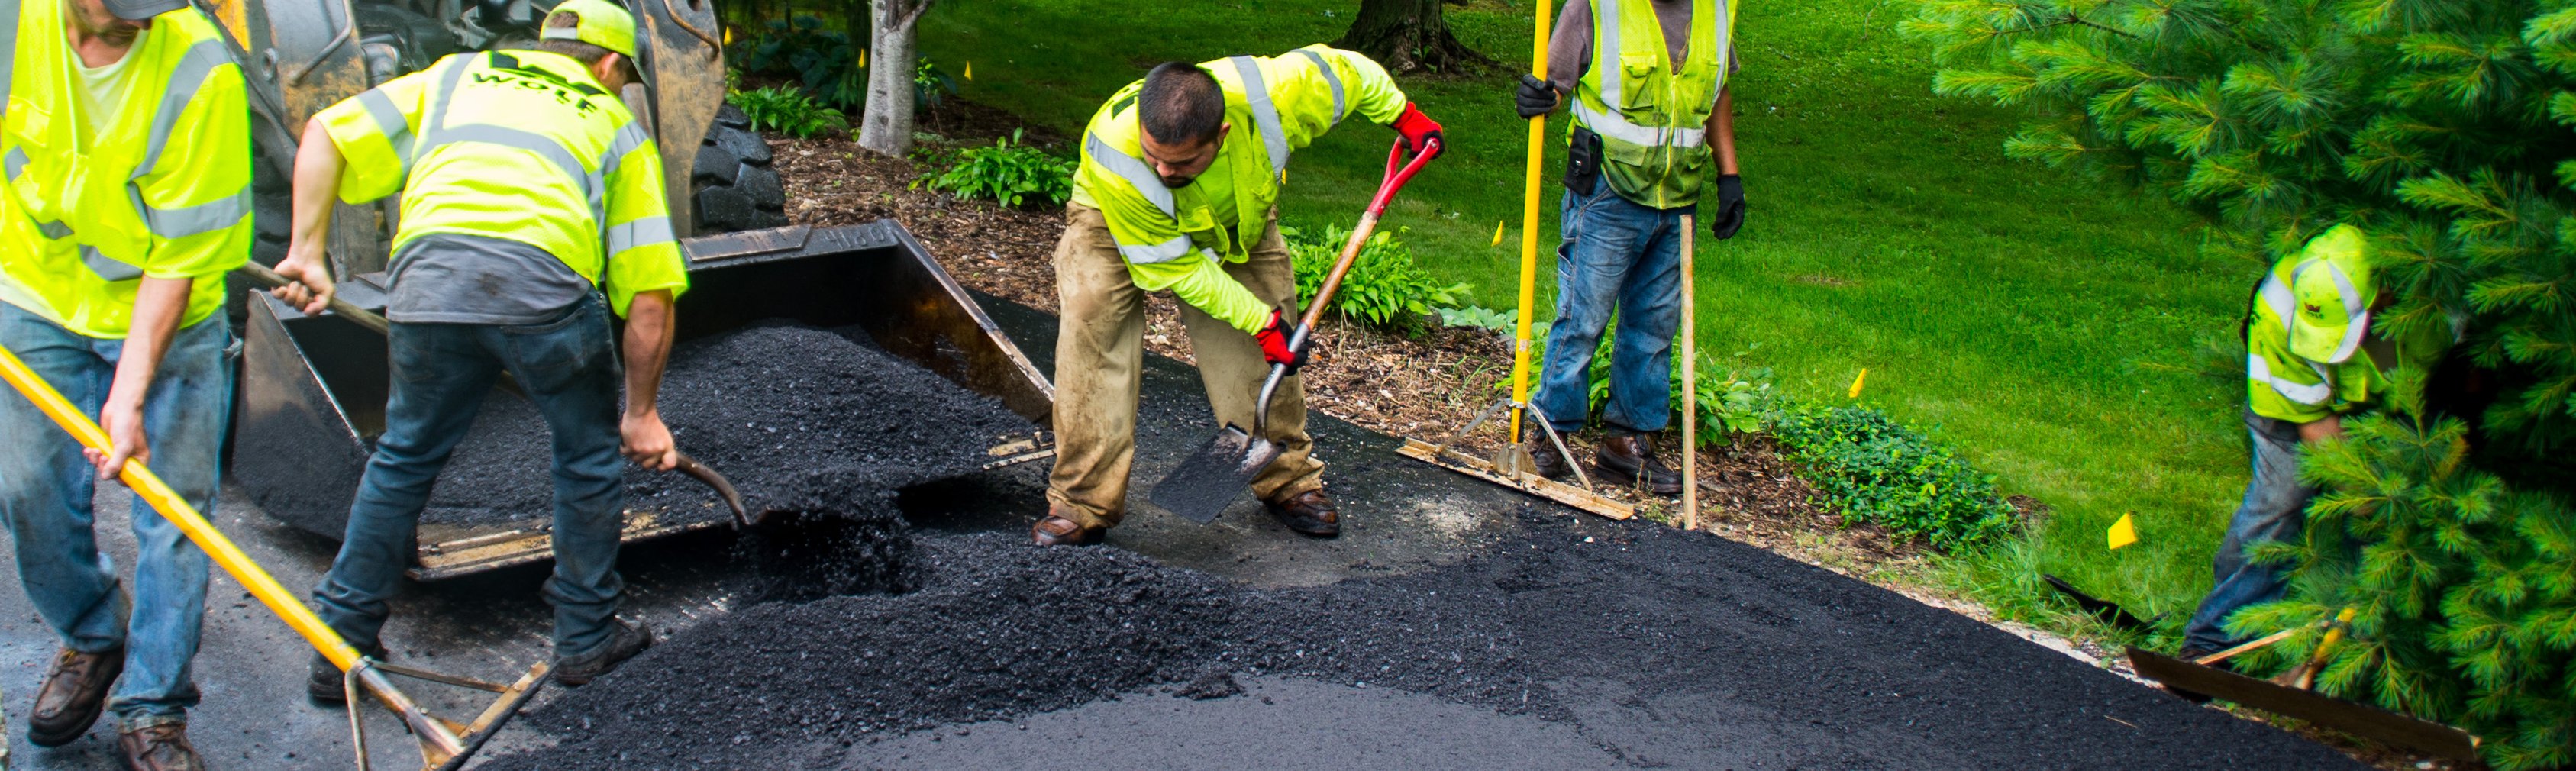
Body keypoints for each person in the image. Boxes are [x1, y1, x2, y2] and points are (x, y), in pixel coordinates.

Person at [266, 0, 687, 697]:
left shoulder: (455, 75)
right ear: (612, 66)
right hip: (544, 295)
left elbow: (327, 133)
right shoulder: (615, 123)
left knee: (403, 456)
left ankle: (337, 641)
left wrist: (308, 252)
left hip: (427, 287)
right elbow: (649, 296)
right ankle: (584, 640)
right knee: (586, 460)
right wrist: (641, 415)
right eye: (623, 77)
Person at [1034, 47, 1442, 546]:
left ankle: (1289, 479)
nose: (1162, 170)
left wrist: (1406, 116)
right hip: (1113, 223)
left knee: (1263, 357)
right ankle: (1082, 502)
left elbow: (1350, 74)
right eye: (1154, 156)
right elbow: (1179, 269)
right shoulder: (1118, 150)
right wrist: (1263, 322)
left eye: (1179, 162)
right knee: (1094, 336)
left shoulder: (1279, 92)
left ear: (1221, 134)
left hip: (1236, 218)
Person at [0, 0, 251, 761]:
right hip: (36, 291)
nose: (143, 21)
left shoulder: (203, 71)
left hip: (169, 310)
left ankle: (154, 703)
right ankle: (93, 633)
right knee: (25, 488)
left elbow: (178, 261)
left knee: (174, 511)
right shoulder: (14, 21)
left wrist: (128, 394)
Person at [2179, 224, 2452, 664]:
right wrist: (2363, 494)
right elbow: (2315, 426)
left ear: (2383, 295)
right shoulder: (2279, 309)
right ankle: (2218, 642)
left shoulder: (2427, 310)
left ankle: (2348, 661)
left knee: (2374, 535)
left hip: (2383, 410)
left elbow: (2438, 393)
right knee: (2278, 502)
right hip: (2294, 407)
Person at [1511, 0, 1745, 494]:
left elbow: (1717, 90)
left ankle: (1627, 443)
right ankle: (1550, 433)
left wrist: (1730, 176)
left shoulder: (1716, 12)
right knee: (1583, 318)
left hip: (1679, 196)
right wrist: (1540, 98)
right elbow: (1555, 85)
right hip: (1606, 192)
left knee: (1654, 328)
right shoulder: (1597, 7)